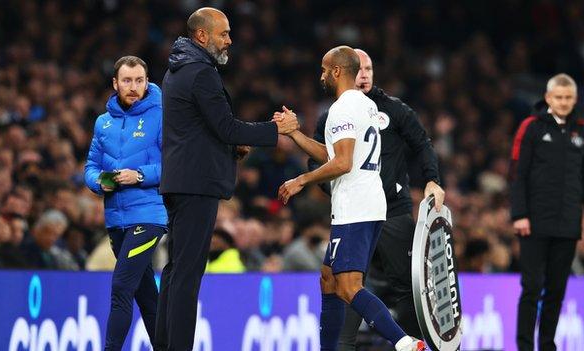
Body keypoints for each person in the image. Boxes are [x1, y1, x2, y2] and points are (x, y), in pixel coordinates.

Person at [157, 7, 298, 351]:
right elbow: (226, 127)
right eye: (224, 33)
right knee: (187, 277)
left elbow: (197, 132)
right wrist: (274, 129)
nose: (229, 40)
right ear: (202, 36)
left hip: (179, 181)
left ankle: (164, 345)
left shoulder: (175, 70)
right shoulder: (201, 73)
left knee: (176, 273)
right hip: (197, 185)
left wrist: (231, 150)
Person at [278, 45, 425, 351]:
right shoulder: (365, 105)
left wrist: (301, 179)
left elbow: (342, 163)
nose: (320, 76)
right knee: (329, 279)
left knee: (348, 287)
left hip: (354, 207)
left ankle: (405, 343)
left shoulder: (342, 109)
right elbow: (333, 154)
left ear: (336, 71)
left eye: (323, 69)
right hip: (367, 203)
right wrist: (295, 134)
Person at [308, 49, 443, 347]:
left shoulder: (390, 110)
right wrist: (335, 189)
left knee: (400, 287)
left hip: (390, 211)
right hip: (356, 209)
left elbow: (422, 144)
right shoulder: (341, 111)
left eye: (368, 68)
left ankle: (409, 342)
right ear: (348, 71)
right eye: (360, 69)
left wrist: (432, 179)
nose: (364, 74)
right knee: (334, 279)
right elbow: (321, 157)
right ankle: (344, 346)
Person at [84, 56, 167, 351]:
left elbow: (175, 164)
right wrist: (100, 181)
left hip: (149, 217)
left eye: (139, 81)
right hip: (116, 220)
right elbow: (91, 168)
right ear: (115, 83)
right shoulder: (103, 122)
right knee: (145, 294)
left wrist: (141, 175)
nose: (133, 87)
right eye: (127, 81)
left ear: (147, 82)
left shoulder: (162, 115)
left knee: (121, 287)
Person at [510, 73, 583, 351]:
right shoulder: (531, 127)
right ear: (548, 97)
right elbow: (517, 172)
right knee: (531, 288)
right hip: (534, 222)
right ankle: (525, 346)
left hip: (567, 224)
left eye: (568, 98)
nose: (564, 102)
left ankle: (548, 345)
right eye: (559, 97)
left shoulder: (581, 129)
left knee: (556, 291)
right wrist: (520, 215)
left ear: (574, 99)